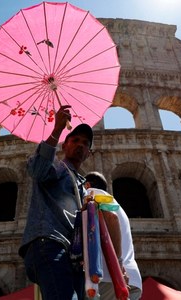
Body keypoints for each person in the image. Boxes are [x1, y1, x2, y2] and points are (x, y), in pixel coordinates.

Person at [19, 105, 93, 300]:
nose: (80, 145)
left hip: (71, 253)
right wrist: (57, 129)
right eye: (75, 140)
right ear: (64, 146)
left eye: (85, 143)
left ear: (89, 153)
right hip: (49, 242)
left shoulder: (81, 184)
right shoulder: (58, 167)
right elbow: (38, 171)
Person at [84, 171, 142, 300]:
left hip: (110, 276)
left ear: (87, 185)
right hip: (132, 279)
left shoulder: (92, 193)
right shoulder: (119, 207)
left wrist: (118, 266)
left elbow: (111, 218)